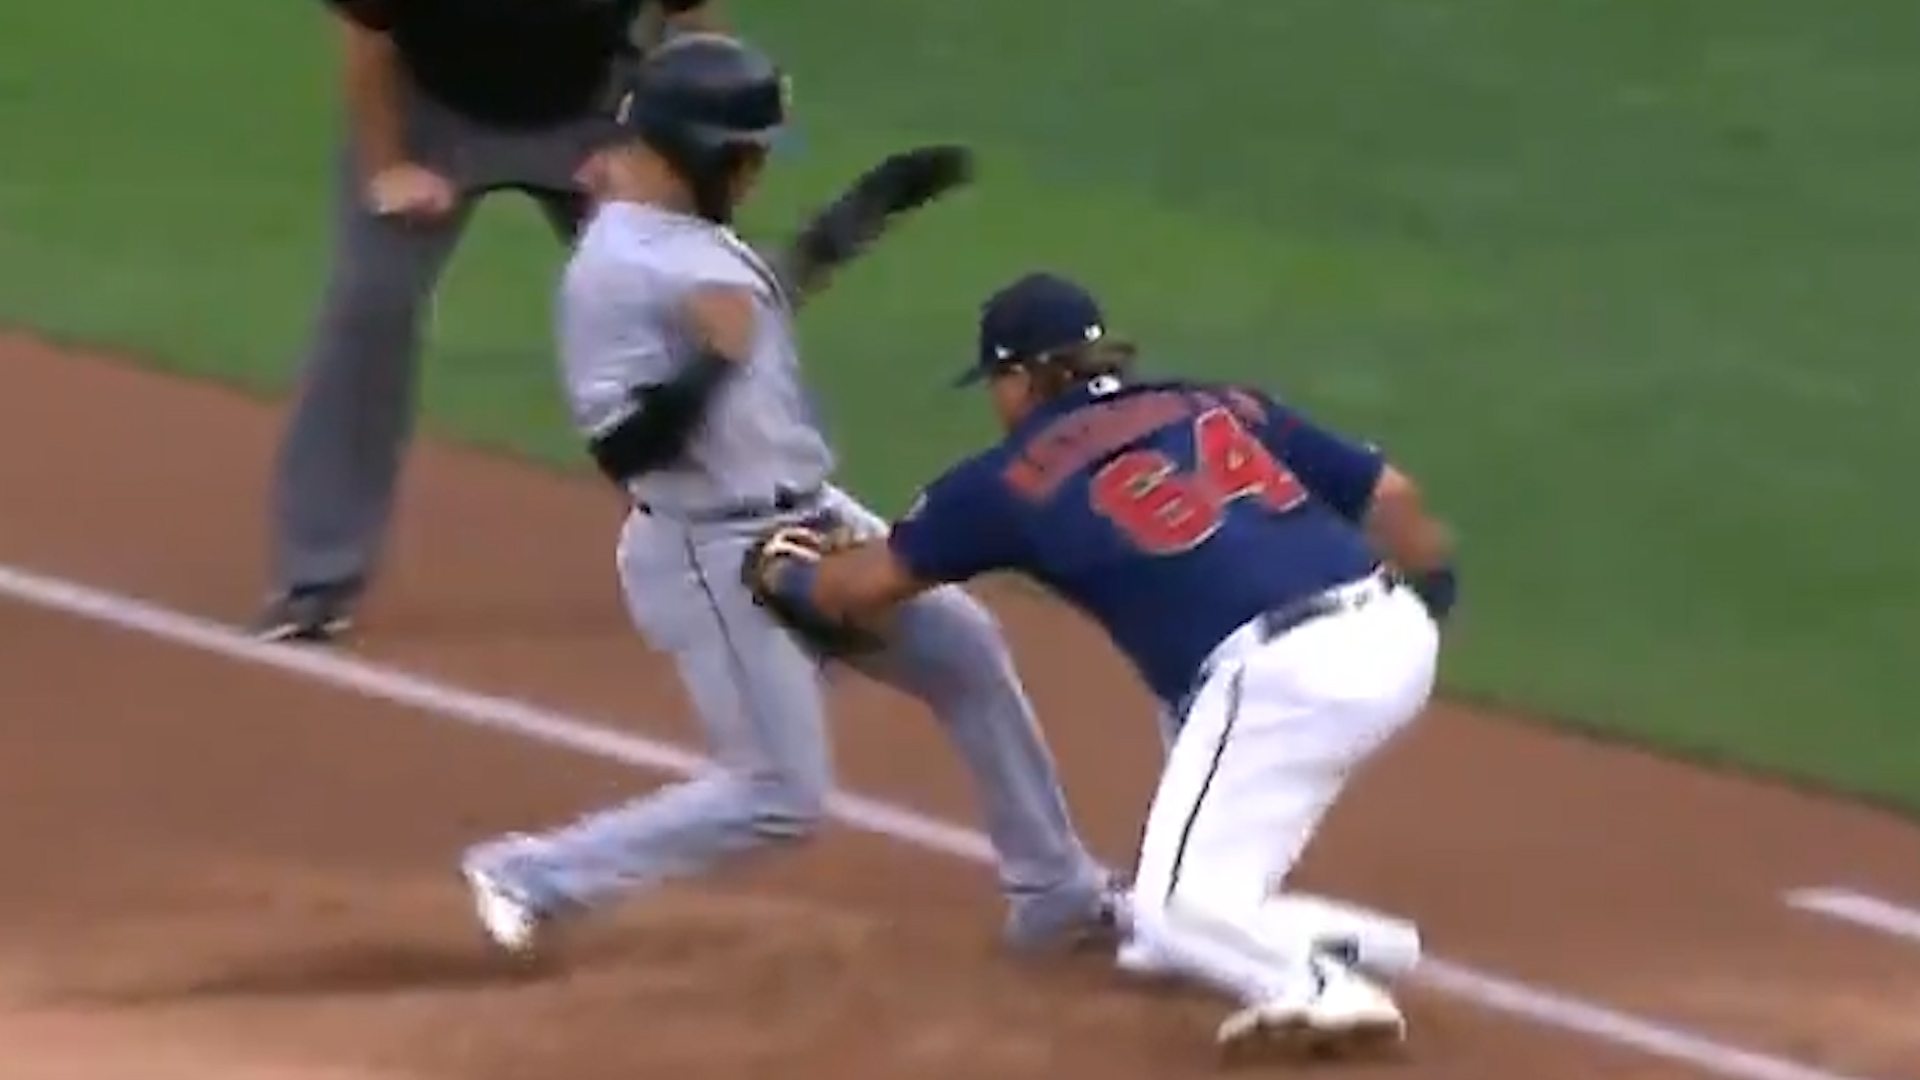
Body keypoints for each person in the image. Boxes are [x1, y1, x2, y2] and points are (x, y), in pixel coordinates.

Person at [458, 36, 1115, 960]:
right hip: (710, 551)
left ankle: (1055, 893)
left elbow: (765, 293)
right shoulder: (613, 272)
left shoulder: (683, 229)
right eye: (748, 153)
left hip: (810, 515)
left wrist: (871, 206)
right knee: (779, 796)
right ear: (695, 151)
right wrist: (709, 367)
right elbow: (622, 451)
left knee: (965, 649)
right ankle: (530, 874)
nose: (759, 168)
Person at [741, 271, 1458, 1060]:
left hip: (1282, 676)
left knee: (1171, 912)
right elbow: (1393, 496)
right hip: (1390, 629)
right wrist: (1425, 607)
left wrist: (783, 571)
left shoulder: (1003, 482)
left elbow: (862, 590)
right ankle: (1361, 944)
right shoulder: (1219, 401)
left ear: (1017, 380)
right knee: (1163, 920)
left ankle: (1322, 991)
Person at [254, 0, 719, 642]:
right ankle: (317, 578)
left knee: (690, 308)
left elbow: (697, 35)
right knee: (370, 304)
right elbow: (366, 37)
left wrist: (657, 155)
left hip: (592, 113)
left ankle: (738, 551)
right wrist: (389, 166)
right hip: (428, 112)